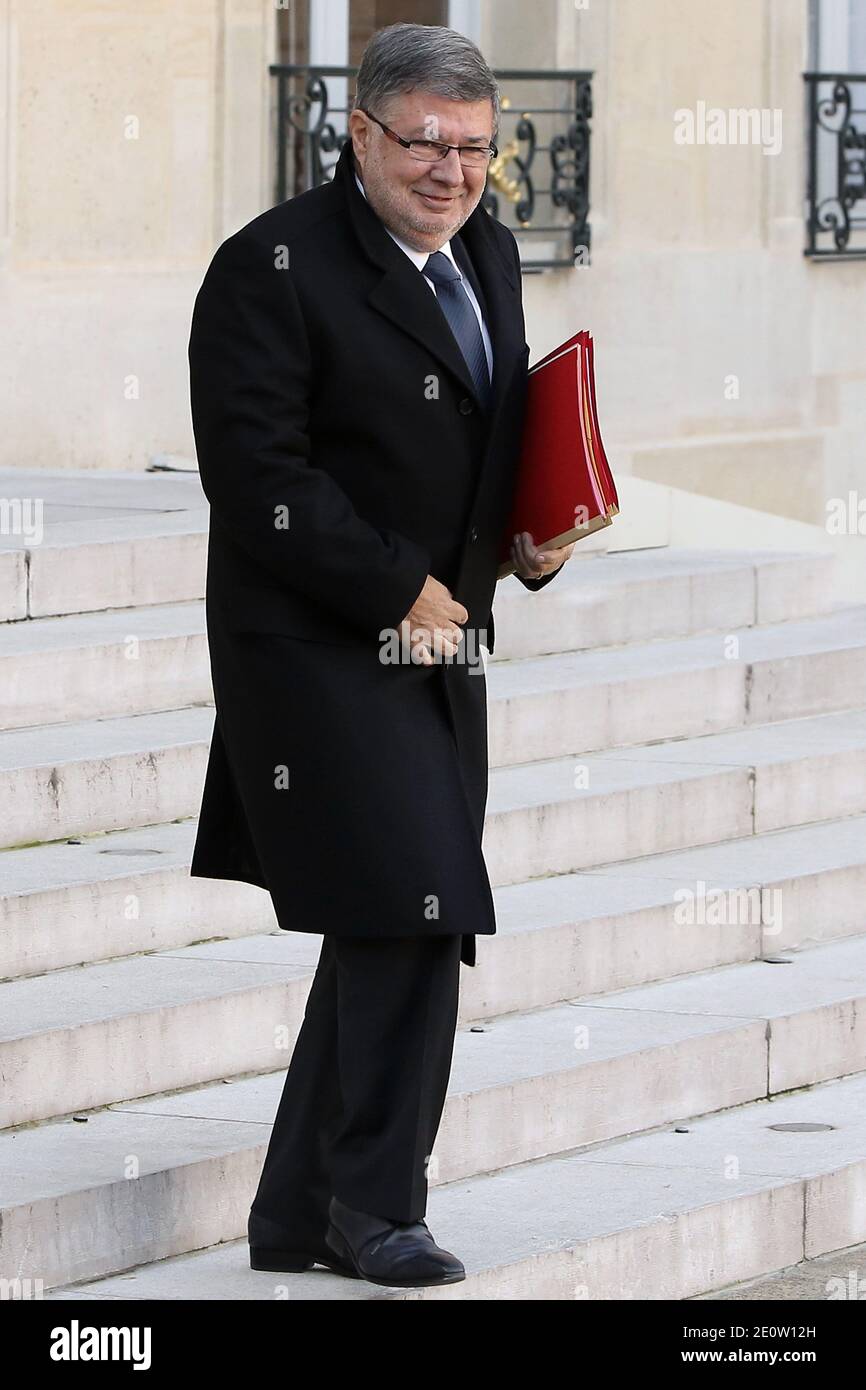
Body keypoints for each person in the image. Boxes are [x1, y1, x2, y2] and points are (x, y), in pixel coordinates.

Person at [187, 22, 573, 1290]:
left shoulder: (491, 254)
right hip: (309, 643)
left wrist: (534, 535)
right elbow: (258, 478)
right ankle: (375, 1206)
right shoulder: (271, 268)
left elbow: (496, 427)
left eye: (474, 147)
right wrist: (394, 583)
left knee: (385, 913)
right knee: (419, 906)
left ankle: (298, 1211)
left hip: (439, 642)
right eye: (423, 143)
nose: (451, 170)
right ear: (360, 136)